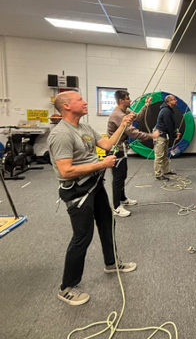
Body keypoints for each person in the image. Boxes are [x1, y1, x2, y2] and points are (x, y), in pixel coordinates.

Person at [48, 91, 137, 307]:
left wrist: (124, 124)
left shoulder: (84, 128)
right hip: (78, 192)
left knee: (107, 223)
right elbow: (66, 170)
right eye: (80, 100)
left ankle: (111, 262)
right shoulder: (61, 134)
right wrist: (101, 165)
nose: (85, 102)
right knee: (82, 237)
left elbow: (107, 145)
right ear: (67, 106)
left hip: (95, 186)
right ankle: (67, 287)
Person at [107, 90, 159, 218]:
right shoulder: (118, 115)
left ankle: (123, 198)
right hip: (115, 150)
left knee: (123, 174)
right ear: (121, 101)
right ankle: (116, 207)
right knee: (118, 178)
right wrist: (152, 136)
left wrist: (146, 105)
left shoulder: (126, 112)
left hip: (122, 149)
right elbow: (134, 133)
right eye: (128, 98)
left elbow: (139, 117)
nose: (130, 100)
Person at [153, 95, 181, 181]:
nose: (176, 101)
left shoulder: (169, 110)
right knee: (159, 155)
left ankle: (165, 171)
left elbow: (172, 123)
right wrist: (174, 135)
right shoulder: (165, 111)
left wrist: (176, 132)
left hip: (164, 135)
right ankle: (158, 174)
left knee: (165, 154)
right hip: (160, 136)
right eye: (174, 99)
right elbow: (168, 125)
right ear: (169, 101)